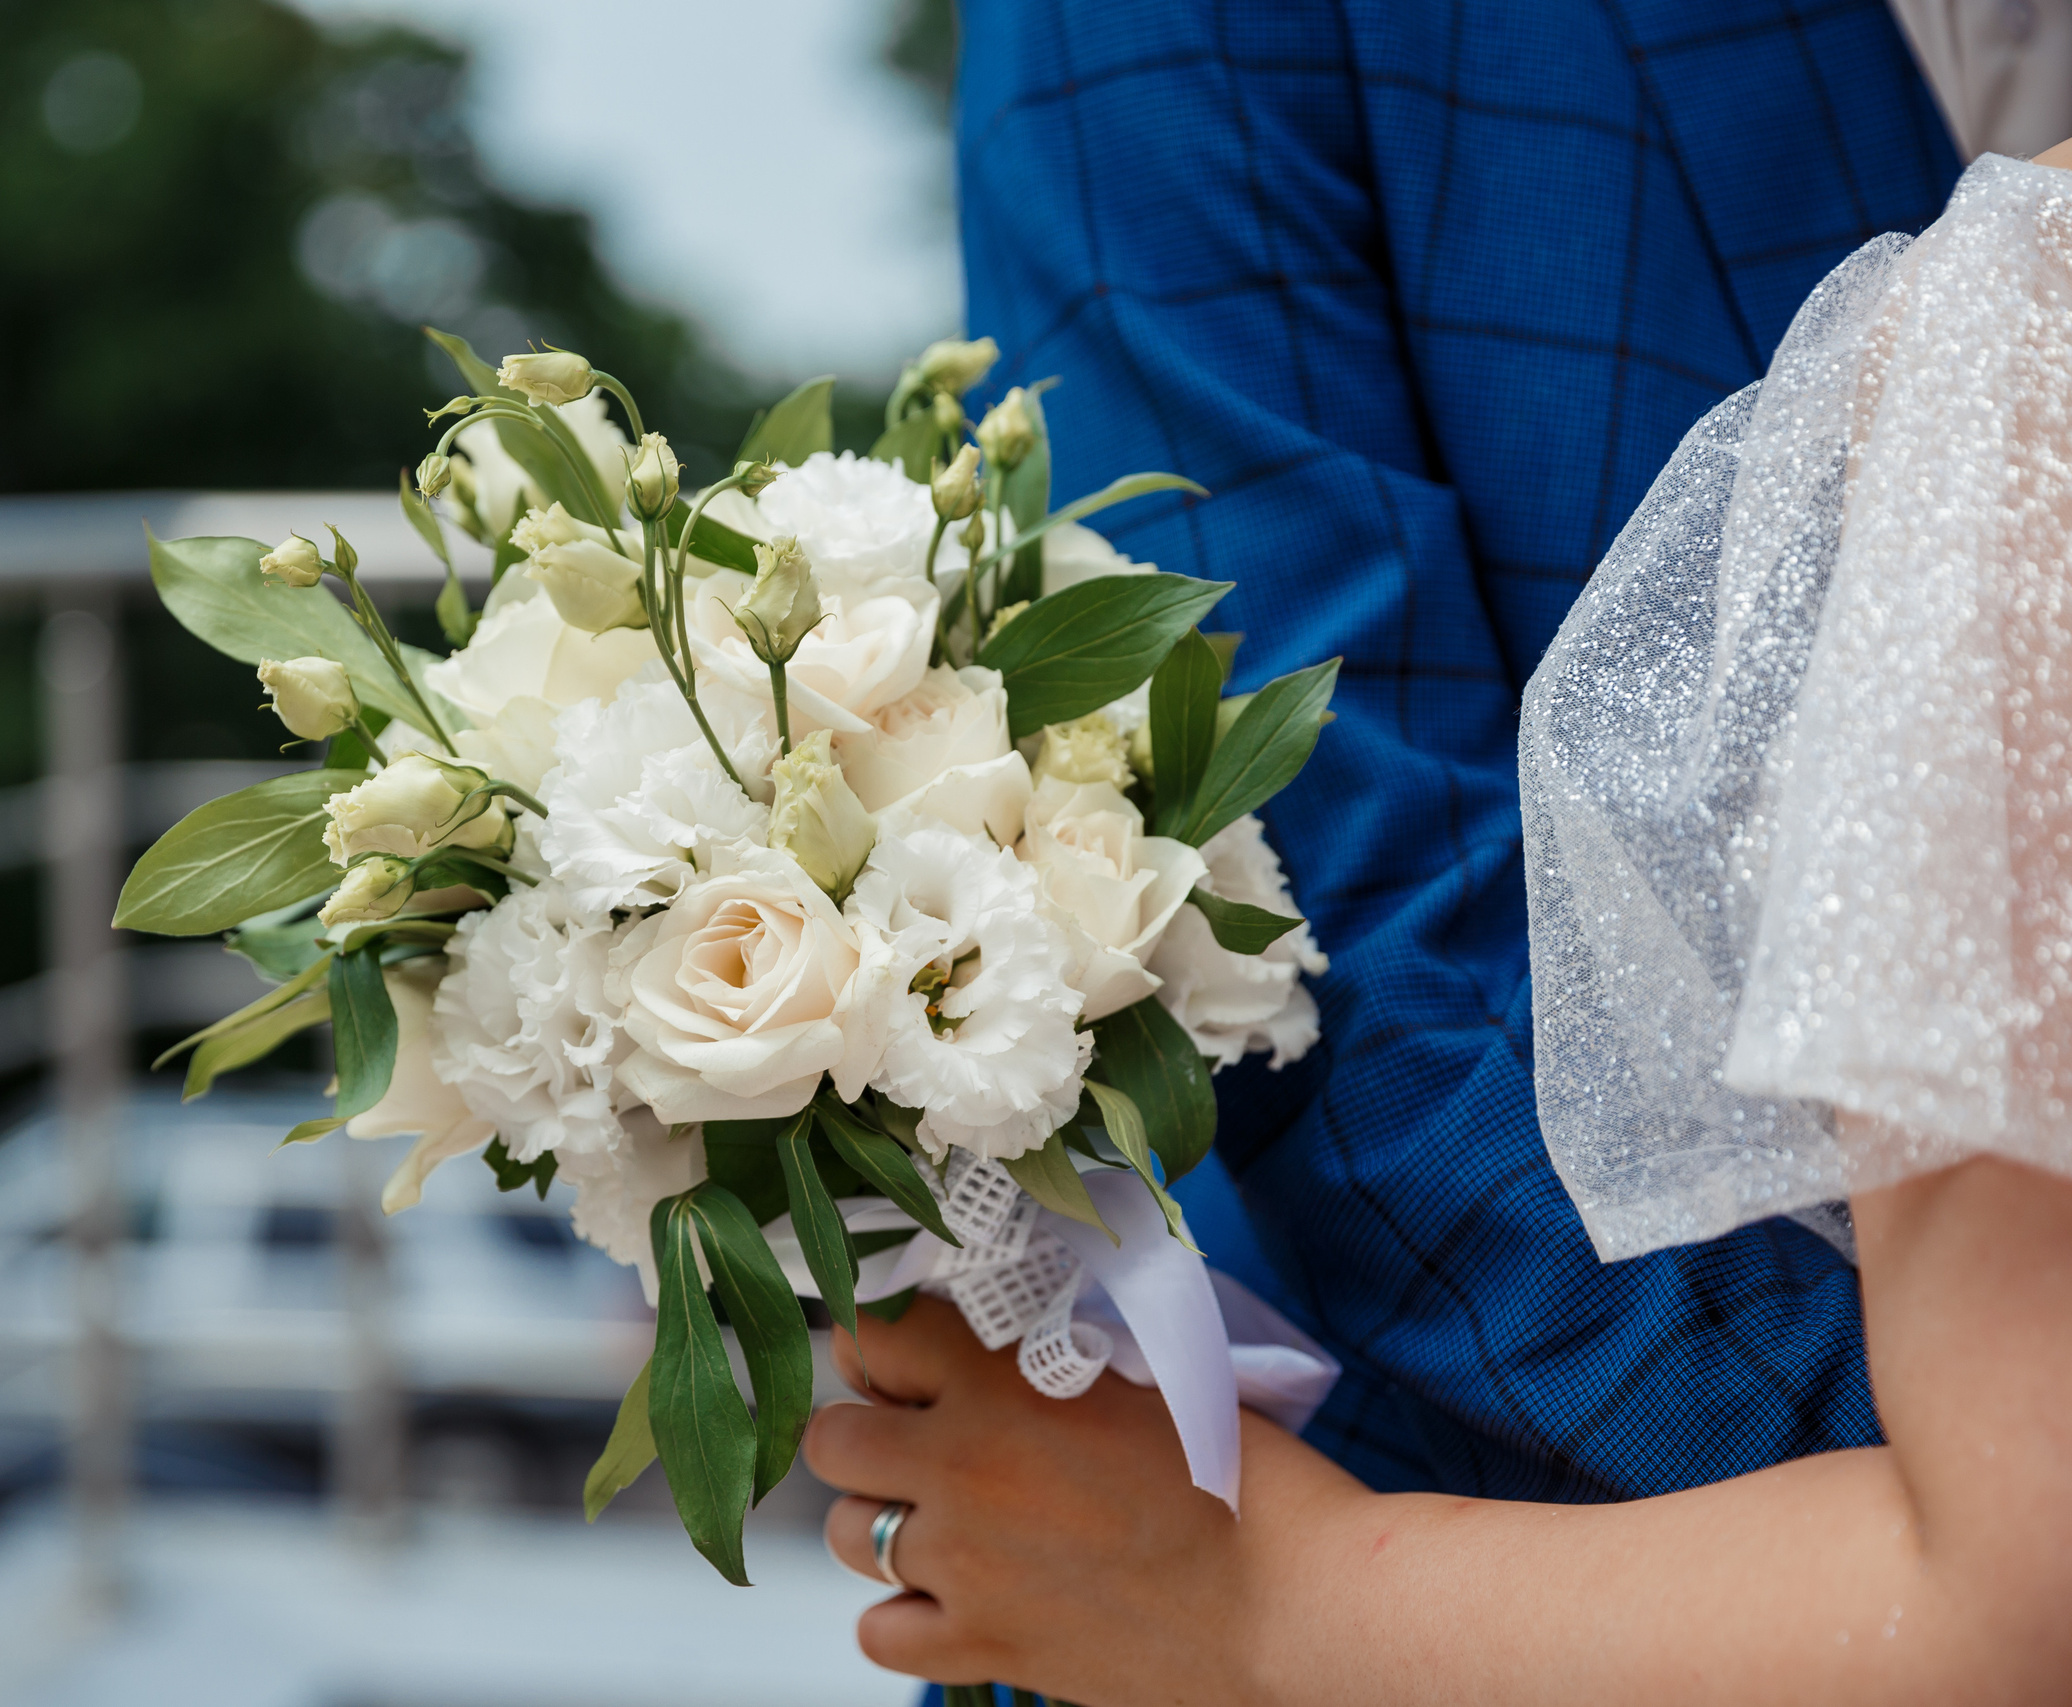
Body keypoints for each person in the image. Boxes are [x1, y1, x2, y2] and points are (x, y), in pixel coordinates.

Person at [802, 3, 2072, 1698]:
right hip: (1447, 1478)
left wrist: (1921, 1556)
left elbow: (2013, 1591)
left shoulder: (2014, 322)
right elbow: (1301, 885)